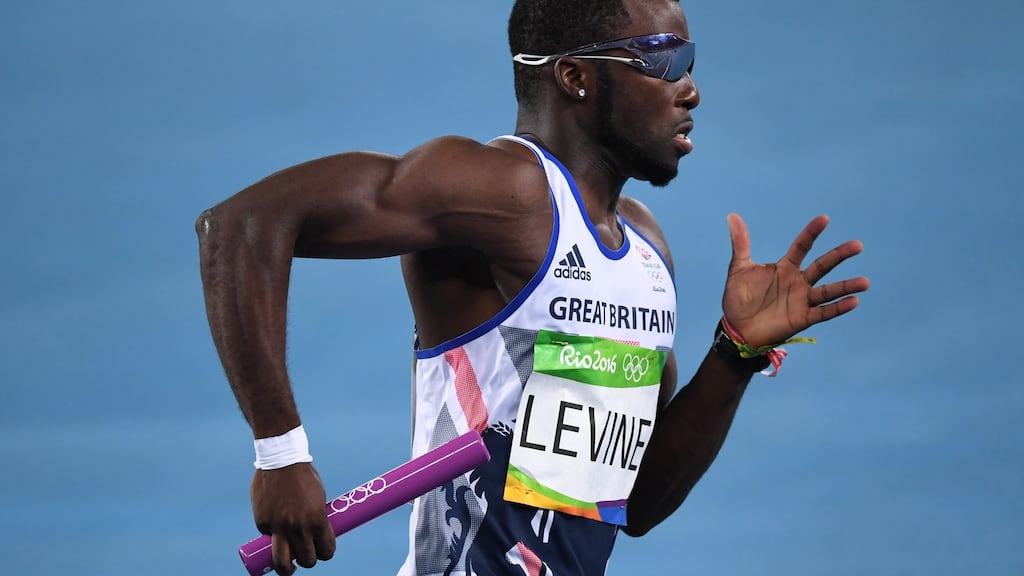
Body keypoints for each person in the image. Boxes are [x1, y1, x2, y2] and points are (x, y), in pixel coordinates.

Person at [196, 0, 870, 574]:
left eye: (690, 62)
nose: (688, 88)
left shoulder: (644, 249)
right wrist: (281, 454)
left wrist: (734, 355)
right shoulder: (504, 191)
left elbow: (633, 502)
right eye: (663, 59)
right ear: (574, 76)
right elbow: (241, 225)